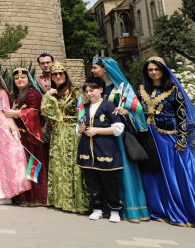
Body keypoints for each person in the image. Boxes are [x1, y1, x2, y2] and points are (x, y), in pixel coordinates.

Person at [90, 57, 149, 222]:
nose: (93, 71)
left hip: (118, 137)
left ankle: (128, 208)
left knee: (121, 171)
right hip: (100, 136)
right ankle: (106, 208)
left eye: (95, 68)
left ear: (105, 68)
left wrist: (126, 113)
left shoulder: (122, 88)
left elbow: (139, 113)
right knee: (103, 172)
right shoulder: (97, 88)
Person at [138, 56, 195, 227]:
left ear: (163, 70)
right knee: (153, 172)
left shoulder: (173, 90)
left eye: (157, 69)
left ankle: (180, 210)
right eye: (150, 70)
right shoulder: (142, 89)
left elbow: (182, 116)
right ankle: (160, 209)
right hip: (150, 137)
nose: (154, 72)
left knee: (174, 174)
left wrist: (182, 138)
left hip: (169, 138)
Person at [41, 62, 89, 213]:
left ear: (66, 75)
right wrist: (49, 95)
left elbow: (84, 110)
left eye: (61, 73)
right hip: (57, 133)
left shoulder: (75, 91)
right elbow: (44, 110)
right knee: (59, 164)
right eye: (54, 74)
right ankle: (61, 200)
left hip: (73, 132)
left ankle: (77, 202)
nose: (58, 76)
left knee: (73, 165)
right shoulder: (52, 92)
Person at [77, 76, 124, 223]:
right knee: (92, 182)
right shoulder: (83, 108)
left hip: (105, 150)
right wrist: (81, 129)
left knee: (109, 181)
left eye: (92, 90)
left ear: (101, 90)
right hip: (87, 150)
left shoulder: (109, 106)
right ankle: (97, 208)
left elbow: (118, 128)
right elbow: (77, 131)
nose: (89, 94)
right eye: (86, 91)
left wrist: (97, 130)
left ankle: (115, 210)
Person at [0, 62, 30, 204]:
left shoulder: (2, 92)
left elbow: (7, 113)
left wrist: (14, 132)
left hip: (0, 126)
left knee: (3, 158)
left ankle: (5, 194)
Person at [8, 67, 48, 206]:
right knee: (20, 166)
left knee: (30, 164)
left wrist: (17, 113)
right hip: (18, 135)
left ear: (28, 79)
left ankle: (34, 197)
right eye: (17, 78)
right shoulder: (14, 94)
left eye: (23, 77)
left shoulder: (33, 93)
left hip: (30, 135)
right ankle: (22, 196)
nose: (20, 80)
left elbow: (33, 112)